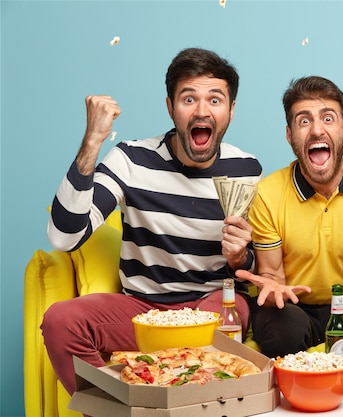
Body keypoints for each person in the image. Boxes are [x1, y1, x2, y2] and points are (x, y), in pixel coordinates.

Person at [41, 48, 263, 396]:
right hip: (143, 311)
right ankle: (116, 406)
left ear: (231, 110)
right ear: (170, 107)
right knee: (59, 321)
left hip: (214, 303)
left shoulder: (247, 170)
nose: (202, 110)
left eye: (215, 100)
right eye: (189, 98)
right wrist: (92, 141)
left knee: (220, 330)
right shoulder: (131, 159)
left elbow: (260, 266)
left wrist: (241, 258)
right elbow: (63, 237)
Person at [235, 76, 343, 358]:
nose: (317, 130)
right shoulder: (267, 194)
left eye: (328, 118)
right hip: (296, 306)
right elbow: (272, 275)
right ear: (289, 135)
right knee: (281, 330)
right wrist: (274, 287)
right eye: (304, 120)